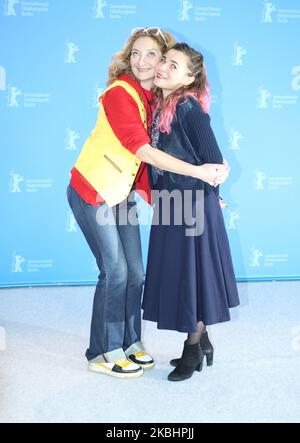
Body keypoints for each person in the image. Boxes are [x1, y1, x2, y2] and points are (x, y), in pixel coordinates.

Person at [67, 30, 230, 379]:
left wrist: (212, 184)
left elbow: (205, 157)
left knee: (155, 273)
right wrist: (202, 175)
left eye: (155, 55)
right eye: (136, 54)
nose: (145, 62)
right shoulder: (123, 95)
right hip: (99, 191)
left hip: (154, 198)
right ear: (128, 58)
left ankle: (142, 343)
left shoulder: (170, 103)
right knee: (121, 271)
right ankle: (105, 349)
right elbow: (143, 153)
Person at [142, 43, 240, 382]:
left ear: (189, 77)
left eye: (175, 65)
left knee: (192, 279)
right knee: (190, 277)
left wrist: (214, 195)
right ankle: (206, 342)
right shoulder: (164, 106)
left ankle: (193, 349)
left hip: (192, 208)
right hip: (174, 205)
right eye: (164, 60)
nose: (164, 67)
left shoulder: (187, 107)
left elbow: (212, 158)